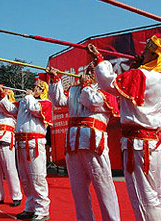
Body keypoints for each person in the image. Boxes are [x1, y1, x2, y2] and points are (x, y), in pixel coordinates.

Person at [87, 36, 161, 221]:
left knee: (143, 195)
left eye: (147, 51)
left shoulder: (140, 75)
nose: (142, 53)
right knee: (157, 190)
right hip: (153, 141)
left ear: (154, 55)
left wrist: (99, 60)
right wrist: (138, 66)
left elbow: (107, 83)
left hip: (139, 144)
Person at [48, 64, 121, 221]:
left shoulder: (107, 89)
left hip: (94, 143)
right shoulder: (75, 89)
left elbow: (92, 102)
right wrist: (55, 80)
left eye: (93, 71)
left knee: (103, 187)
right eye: (88, 70)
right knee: (78, 189)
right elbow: (58, 101)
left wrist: (86, 86)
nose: (88, 73)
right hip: (74, 143)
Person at [0, 77, 53, 221]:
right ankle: (30, 207)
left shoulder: (45, 103)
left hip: (34, 143)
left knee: (37, 177)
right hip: (21, 143)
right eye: (34, 86)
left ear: (42, 91)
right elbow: (8, 109)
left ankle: (42, 209)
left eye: (38, 87)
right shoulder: (24, 102)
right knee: (26, 178)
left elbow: (36, 110)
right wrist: (2, 95)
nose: (34, 89)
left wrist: (29, 96)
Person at [0, 89, 23, 207]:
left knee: (9, 168)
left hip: (5, 137)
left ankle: (16, 195)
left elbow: (7, 110)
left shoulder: (13, 105)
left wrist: (1, 95)